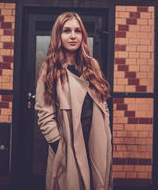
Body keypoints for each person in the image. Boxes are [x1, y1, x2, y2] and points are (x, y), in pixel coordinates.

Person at [35, 12, 113, 190]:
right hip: (68, 141)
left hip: (94, 137)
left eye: (77, 31)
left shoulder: (91, 65)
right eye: (66, 30)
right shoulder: (50, 68)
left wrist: (107, 134)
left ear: (83, 36)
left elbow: (102, 102)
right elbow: (44, 114)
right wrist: (58, 146)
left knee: (96, 183)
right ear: (58, 35)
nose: (72, 36)